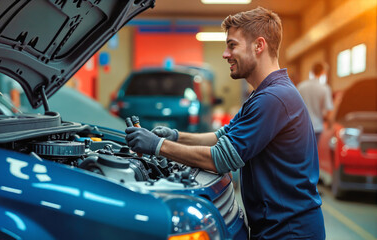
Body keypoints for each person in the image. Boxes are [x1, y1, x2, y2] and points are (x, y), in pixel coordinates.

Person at [125, 7, 325, 240]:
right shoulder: (265, 94)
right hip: (278, 227)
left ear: (258, 46)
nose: (225, 54)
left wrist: (158, 146)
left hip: (290, 232)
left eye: (232, 45)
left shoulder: (274, 98)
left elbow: (220, 158)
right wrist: (175, 136)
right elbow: (223, 136)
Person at [298, 62, 334, 143]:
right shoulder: (324, 88)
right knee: (313, 151)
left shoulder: (301, 86)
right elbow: (329, 109)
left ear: (312, 71)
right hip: (316, 127)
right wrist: (329, 124)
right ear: (323, 72)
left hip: (301, 126)